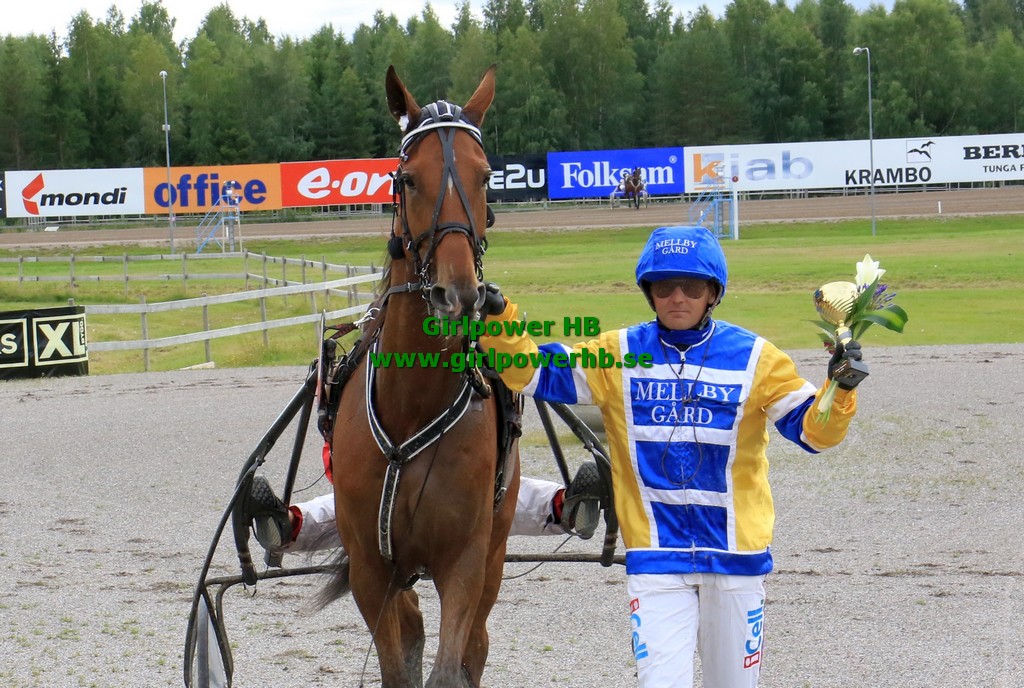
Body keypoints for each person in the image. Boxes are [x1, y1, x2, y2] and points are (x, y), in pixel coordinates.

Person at [477, 225, 864, 687]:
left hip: (736, 561)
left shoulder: (757, 358)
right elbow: (531, 373)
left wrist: (841, 387)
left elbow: (815, 435)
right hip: (657, 563)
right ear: (649, 293)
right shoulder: (617, 354)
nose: (677, 298)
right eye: (664, 287)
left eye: (692, 287)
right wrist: (499, 317)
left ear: (713, 293)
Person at [248, 456, 607, 554]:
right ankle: (288, 528)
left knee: (498, 492)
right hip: (385, 496)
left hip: (469, 493)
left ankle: (567, 508)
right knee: (361, 505)